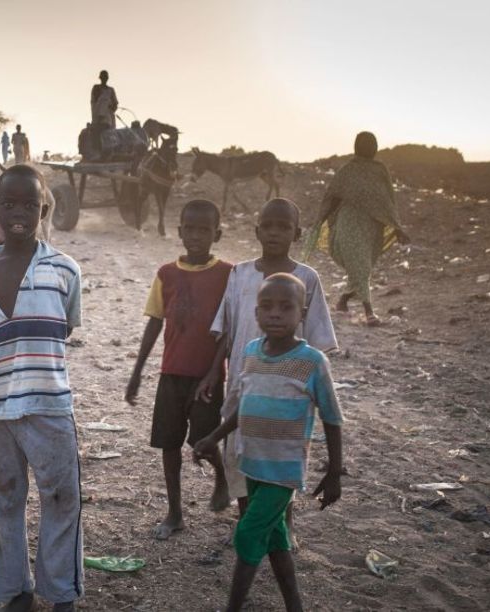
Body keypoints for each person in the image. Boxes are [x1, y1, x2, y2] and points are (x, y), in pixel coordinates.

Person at [0, 164, 83, 612]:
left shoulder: (64, 271)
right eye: (9, 203)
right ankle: (14, 590)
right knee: (7, 502)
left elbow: (59, 335)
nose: (19, 212)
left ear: (43, 209)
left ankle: (60, 593)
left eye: (29, 205)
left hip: (50, 409)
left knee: (62, 499)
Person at [194, 273, 343, 612]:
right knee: (276, 541)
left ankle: (233, 607)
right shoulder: (250, 353)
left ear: (301, 313)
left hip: (283, 471)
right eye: (267, 307)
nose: (275, 314)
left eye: (286, 307)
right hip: (252, 464)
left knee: (247, 534)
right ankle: (294, 605)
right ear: (256, 313)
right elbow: (244, 408)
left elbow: (332, 420)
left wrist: (334, 471)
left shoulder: (312, 362)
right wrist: (214, 436)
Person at [196, 198, 337, 529]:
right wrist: (214, 373)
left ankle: (282, 526)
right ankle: (247, 523)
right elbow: (227, 329)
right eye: (268, 226)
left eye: (284, 227)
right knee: (241, 456)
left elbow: (318, 341)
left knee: (280, 459)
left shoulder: (307, 278)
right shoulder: (240, 274)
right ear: (257, 230)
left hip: (288, 391)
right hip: (245, 384)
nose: (275, 233)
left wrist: (312, 390)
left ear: (297, 233)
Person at [124, 199, 233, 540]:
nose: (197, 235)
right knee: (169, 445)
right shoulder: (166, 274)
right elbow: (155, 322)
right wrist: (138, 371)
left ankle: (222, 477)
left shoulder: (228, 274)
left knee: (204, 442)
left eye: (205, 229)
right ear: (180, 230)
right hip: (172, 374)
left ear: (217, 233)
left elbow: (228, 330)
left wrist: (215, 371)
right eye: (191, 228)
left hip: (207, 377)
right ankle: (174, 513)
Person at [306, 131, 410, 325]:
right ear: (357, 147)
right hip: (349, 224)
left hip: (371, 226)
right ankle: (369, 311)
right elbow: (333, 196)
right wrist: (320, 221)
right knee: (360, 265)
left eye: (372, 144)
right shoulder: (348, 170)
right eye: (366, 144)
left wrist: (397, 227)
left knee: (362, 267)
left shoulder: (380, 170)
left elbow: (387, 201)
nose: (370, 147)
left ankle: (343, 302)